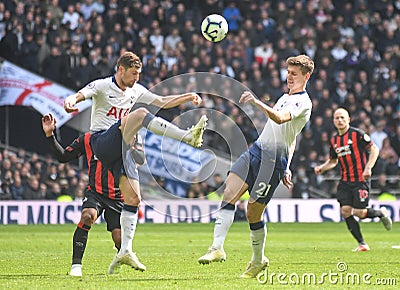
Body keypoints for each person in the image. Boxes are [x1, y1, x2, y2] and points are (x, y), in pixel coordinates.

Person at [63, 51, 207, 273]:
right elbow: (80, 95)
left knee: (134, 198)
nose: (136, 79)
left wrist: (187, 96)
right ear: (120, 69)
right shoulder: (102, 86)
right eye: (133, 74)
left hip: (122, 148)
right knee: (139, 115)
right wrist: (70, 101)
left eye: (138, 74)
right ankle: (186, 137)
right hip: (102, 141)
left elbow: (161, 101)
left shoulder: (136, 90)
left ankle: (126, 251)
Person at [198, 55, 314, 278]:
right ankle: (217, 248)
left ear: (306, 76)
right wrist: (289, 166)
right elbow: (292, 138)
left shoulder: (303, 102)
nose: (289, 77)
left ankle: (258, 259)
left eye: (294, 74)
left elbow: (281, 120)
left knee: (253, 212)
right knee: (229, 192)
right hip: (256, 150)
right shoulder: (284, 96)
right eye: (288, 72)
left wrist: (256, 102)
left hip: (272, 162)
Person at [42, 113, 144, 276]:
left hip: (118, 195)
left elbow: (141, 159)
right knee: (87, 216)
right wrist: (50, 135)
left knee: (119, 239)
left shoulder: (127, 135)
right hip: (96, 192)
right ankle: (76, 266)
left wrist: (131, 147)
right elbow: (63, 157)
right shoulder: (88, 139)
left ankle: (120, 258)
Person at [314, 108, 392, 252]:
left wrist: (368, 167)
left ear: (348, 119)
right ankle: (362, 243)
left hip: (360, 180)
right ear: (333, 121)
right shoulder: (334, 140)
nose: (340, 120)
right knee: (345, 211)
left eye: (342, 117)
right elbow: (333, 161)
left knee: (360, 213)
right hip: (345, 181)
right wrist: (322, 168)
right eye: (337, 118)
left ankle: (381, 213)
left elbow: (374, 149)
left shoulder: (358, 134)